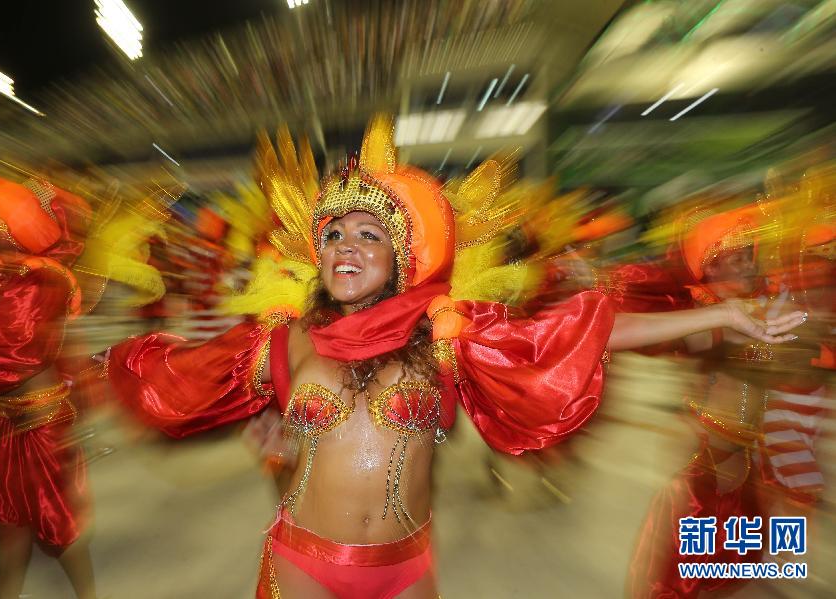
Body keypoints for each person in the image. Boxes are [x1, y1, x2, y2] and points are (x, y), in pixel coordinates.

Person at [101, 116, 804, 598]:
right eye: (334, 232)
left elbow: (575, 334)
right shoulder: (283, 342)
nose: (345, 243)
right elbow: (179, 382)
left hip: (404, 568)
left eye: (368, 233)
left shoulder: (446, 340)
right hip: (302, 565)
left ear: (405, 255)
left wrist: (724, 310)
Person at [0, 169, 98, 599]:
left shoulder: (40, 277)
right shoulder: (12, 271)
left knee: (57, 530)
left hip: (40, 421)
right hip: (6, 419)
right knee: (10, 527)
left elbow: (11, 343)